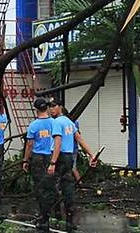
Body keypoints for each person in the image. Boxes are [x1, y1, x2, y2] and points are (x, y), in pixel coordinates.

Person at [48, 99, 97, 232]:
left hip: (60, 156)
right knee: (67, 184)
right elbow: (80, 139)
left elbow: (58, 142)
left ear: (60, 107)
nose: (51, 109)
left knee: (54, 184)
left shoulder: (57, 122)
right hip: (69, 156)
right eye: (49, 107)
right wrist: (91, 154)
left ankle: (56, 214)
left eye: (53, 106)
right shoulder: (69, 122)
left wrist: (53, 162)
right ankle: (69, 216)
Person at [22, 98, 55, 232]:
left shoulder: (34, 125)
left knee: (39, 187)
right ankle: (48, 213)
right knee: (50, 185)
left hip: (38, 158)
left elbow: (30, 144)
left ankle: (43, 216)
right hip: (52, 156)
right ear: (46, 108)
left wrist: (25, 160)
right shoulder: (54, 123)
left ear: (36, 109)